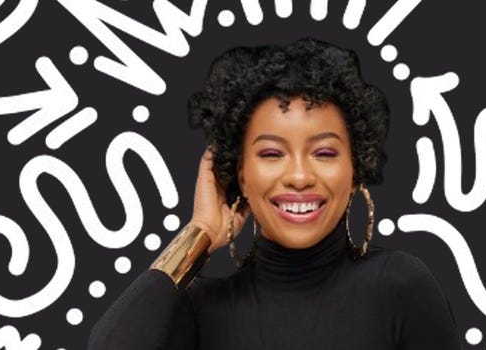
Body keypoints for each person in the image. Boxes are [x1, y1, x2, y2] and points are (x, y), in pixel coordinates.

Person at [88, 38, 461, 350]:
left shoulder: (399, 287)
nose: (299, 176)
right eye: (271, 153)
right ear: (240, 174)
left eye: (324, 153)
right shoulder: (201, 308)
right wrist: (199, 232)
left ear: (354, 169)